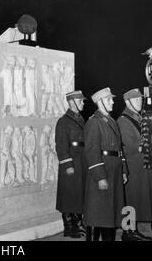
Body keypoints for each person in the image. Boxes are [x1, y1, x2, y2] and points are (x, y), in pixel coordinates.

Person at [83, 87, 128, 241]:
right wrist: (100, 177)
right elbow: (91, 152)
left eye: (112, 99)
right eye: (109, 99)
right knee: (100, 213)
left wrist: (123, 170)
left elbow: (119, 148)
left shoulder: (111, 121)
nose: (113, 102)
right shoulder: (94, 123)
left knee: (111, 213)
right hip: (103, 171)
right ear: (100, 102)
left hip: (114, 171)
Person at [117, 88, 152, 241]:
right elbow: (132, 145)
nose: (141, 102)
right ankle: (128, 233)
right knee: (130, 199)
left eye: (141, 99)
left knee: (137, 199)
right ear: (128, 102)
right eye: (137, 99)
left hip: (140, 165)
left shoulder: (138, 117)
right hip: (132, 165)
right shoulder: (123, 120)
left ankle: (133, 230)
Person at [55, 90, 87, 238]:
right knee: (69, 195)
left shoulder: (80, 119)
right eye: (80, 101)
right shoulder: (63, 121)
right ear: (71, 102)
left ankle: (77, 224)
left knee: (77, 193)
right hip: (72, 161)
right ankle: (70, 226)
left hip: (81, 161)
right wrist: (67, 164)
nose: (83, 103)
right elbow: (61, 146)